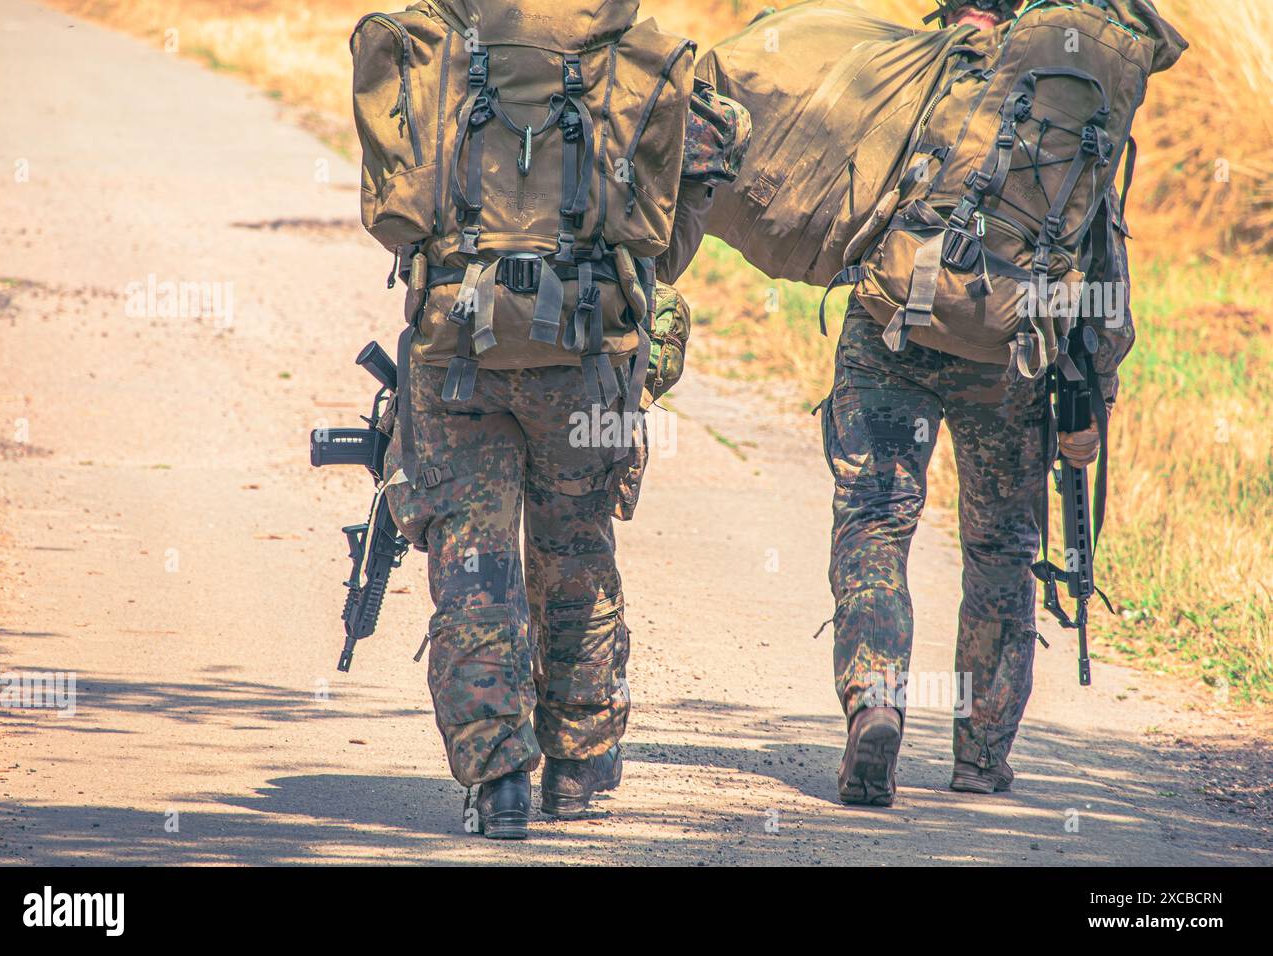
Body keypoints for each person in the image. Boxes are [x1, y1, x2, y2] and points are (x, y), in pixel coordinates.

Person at [381, 81, 750, 839]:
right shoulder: (619, 56)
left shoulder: (453, 51)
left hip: (459, 351)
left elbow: (392, 208)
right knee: (576, 551)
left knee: (473, 565)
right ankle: (577, 766)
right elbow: (719, 134)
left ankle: (500, 780)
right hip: (585, 354)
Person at [825, 0, 1134, 806]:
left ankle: (876, 700)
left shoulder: (932, 71)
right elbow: (1102, 260)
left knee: (875, 518)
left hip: (896, 329)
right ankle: (981, 752)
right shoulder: (1081, 109)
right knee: (1000, 550)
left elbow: (848, 191)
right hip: (1015, 355)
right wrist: (1093, 393)